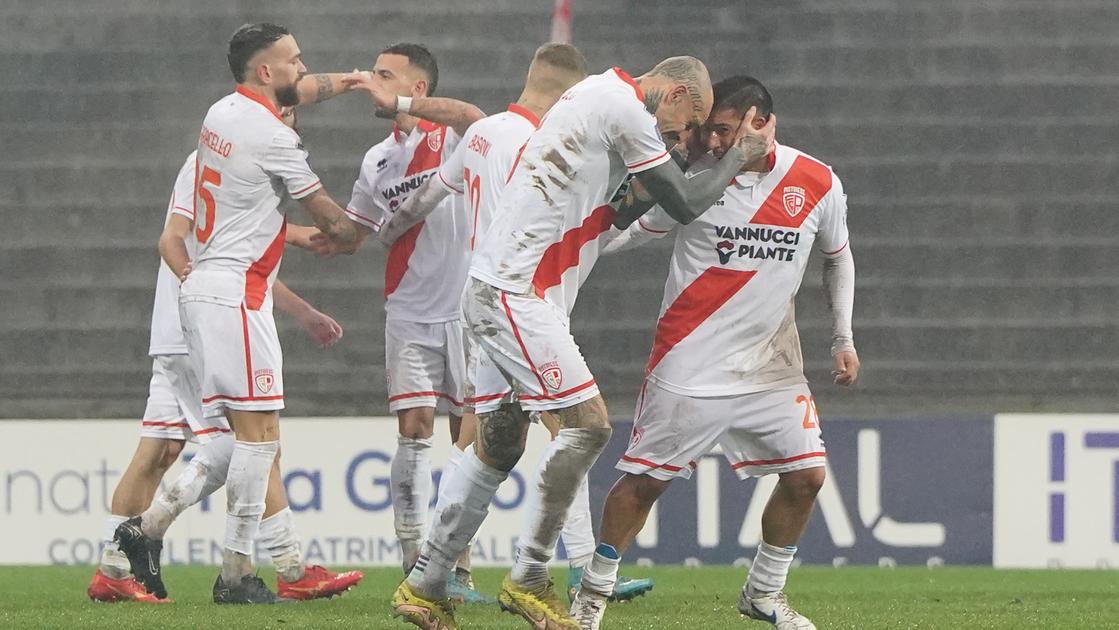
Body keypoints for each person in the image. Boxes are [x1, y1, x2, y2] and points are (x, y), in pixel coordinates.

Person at [393, 56, 775, 630]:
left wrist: (685, 162)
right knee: (588, 426)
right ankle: (529, 578)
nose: (682, 139)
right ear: (673, 93)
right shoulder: (623, 107)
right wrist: (740, 155)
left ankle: (424, 586)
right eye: (686, 124)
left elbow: (623, 209)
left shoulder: (601, 103)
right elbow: (684, 201)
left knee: (497, 445)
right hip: (515, 294)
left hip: (504, 291)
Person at [569, 76, 858, 630]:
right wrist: (579, 239)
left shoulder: (817, 181)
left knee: (807, 477)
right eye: (711, 132)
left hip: (772, 367)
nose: (718, 142)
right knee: (644, 484)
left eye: (726, 130)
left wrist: (842, 338)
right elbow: (626, 233)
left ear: (762, 122)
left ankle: (764, 595)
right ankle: (590, 603)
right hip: (689, 359)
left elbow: (838, 256)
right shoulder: (696, 180)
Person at [383, 42, 653, 605]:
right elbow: (574, 229)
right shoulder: (542, 143)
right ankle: (570, 567)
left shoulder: (483, 134)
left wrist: (377, 229)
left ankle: (438, 571)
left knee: (484, 442)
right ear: (568, 95)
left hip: (479, 298)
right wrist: (648, 223)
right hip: (525, 302)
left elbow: (431, 196)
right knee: (572, 428)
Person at [87, 70, 360, 605]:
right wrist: (203, 289)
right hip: (198, 322)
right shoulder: (230, 157)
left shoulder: (220, 156)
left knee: (179, 447)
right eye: (286, 111)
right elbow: (195, 245)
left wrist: (294, 287)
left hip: (190, 318)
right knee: (247, 439)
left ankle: (120, 563)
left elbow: (223, 242)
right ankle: (267, 567)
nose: (290, 123)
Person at [310, 42, 487, 601]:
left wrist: (405, 102)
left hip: (467, 310)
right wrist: (306, 228)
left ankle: (460, 566)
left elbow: (474, 117)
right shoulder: (375, 160)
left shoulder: (455, 136)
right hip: (408, 310)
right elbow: (357, 231)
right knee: (413, 430)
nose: (369, 80)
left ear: (419, 89)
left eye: (384, 75)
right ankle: (415, 561)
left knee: (470, 442)